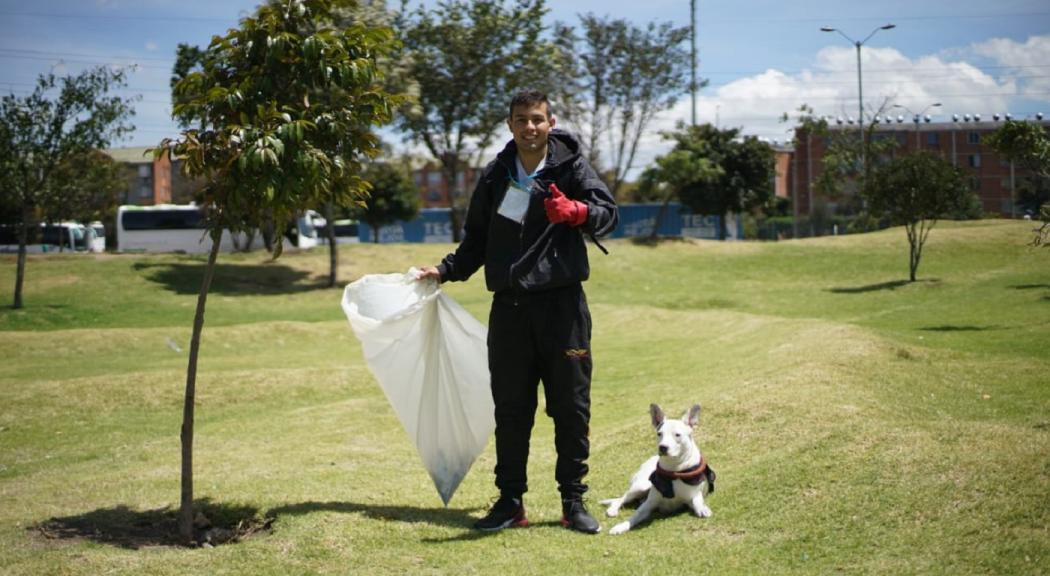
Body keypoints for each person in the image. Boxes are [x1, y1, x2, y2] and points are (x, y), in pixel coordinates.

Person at [417, 90, 618, 534]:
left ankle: (573, 502)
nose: (530, 127)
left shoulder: (572, 167)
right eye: (521, 119)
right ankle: (510, 503)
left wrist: (578, 211)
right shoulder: (496, 175)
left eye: (538, 119)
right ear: (509, 124)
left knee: (570, 408)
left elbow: (609, 214)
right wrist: (445, 270)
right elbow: (477, 240)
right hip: (508, 311)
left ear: (551, 123)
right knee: (511, 410)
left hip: (562, 309)